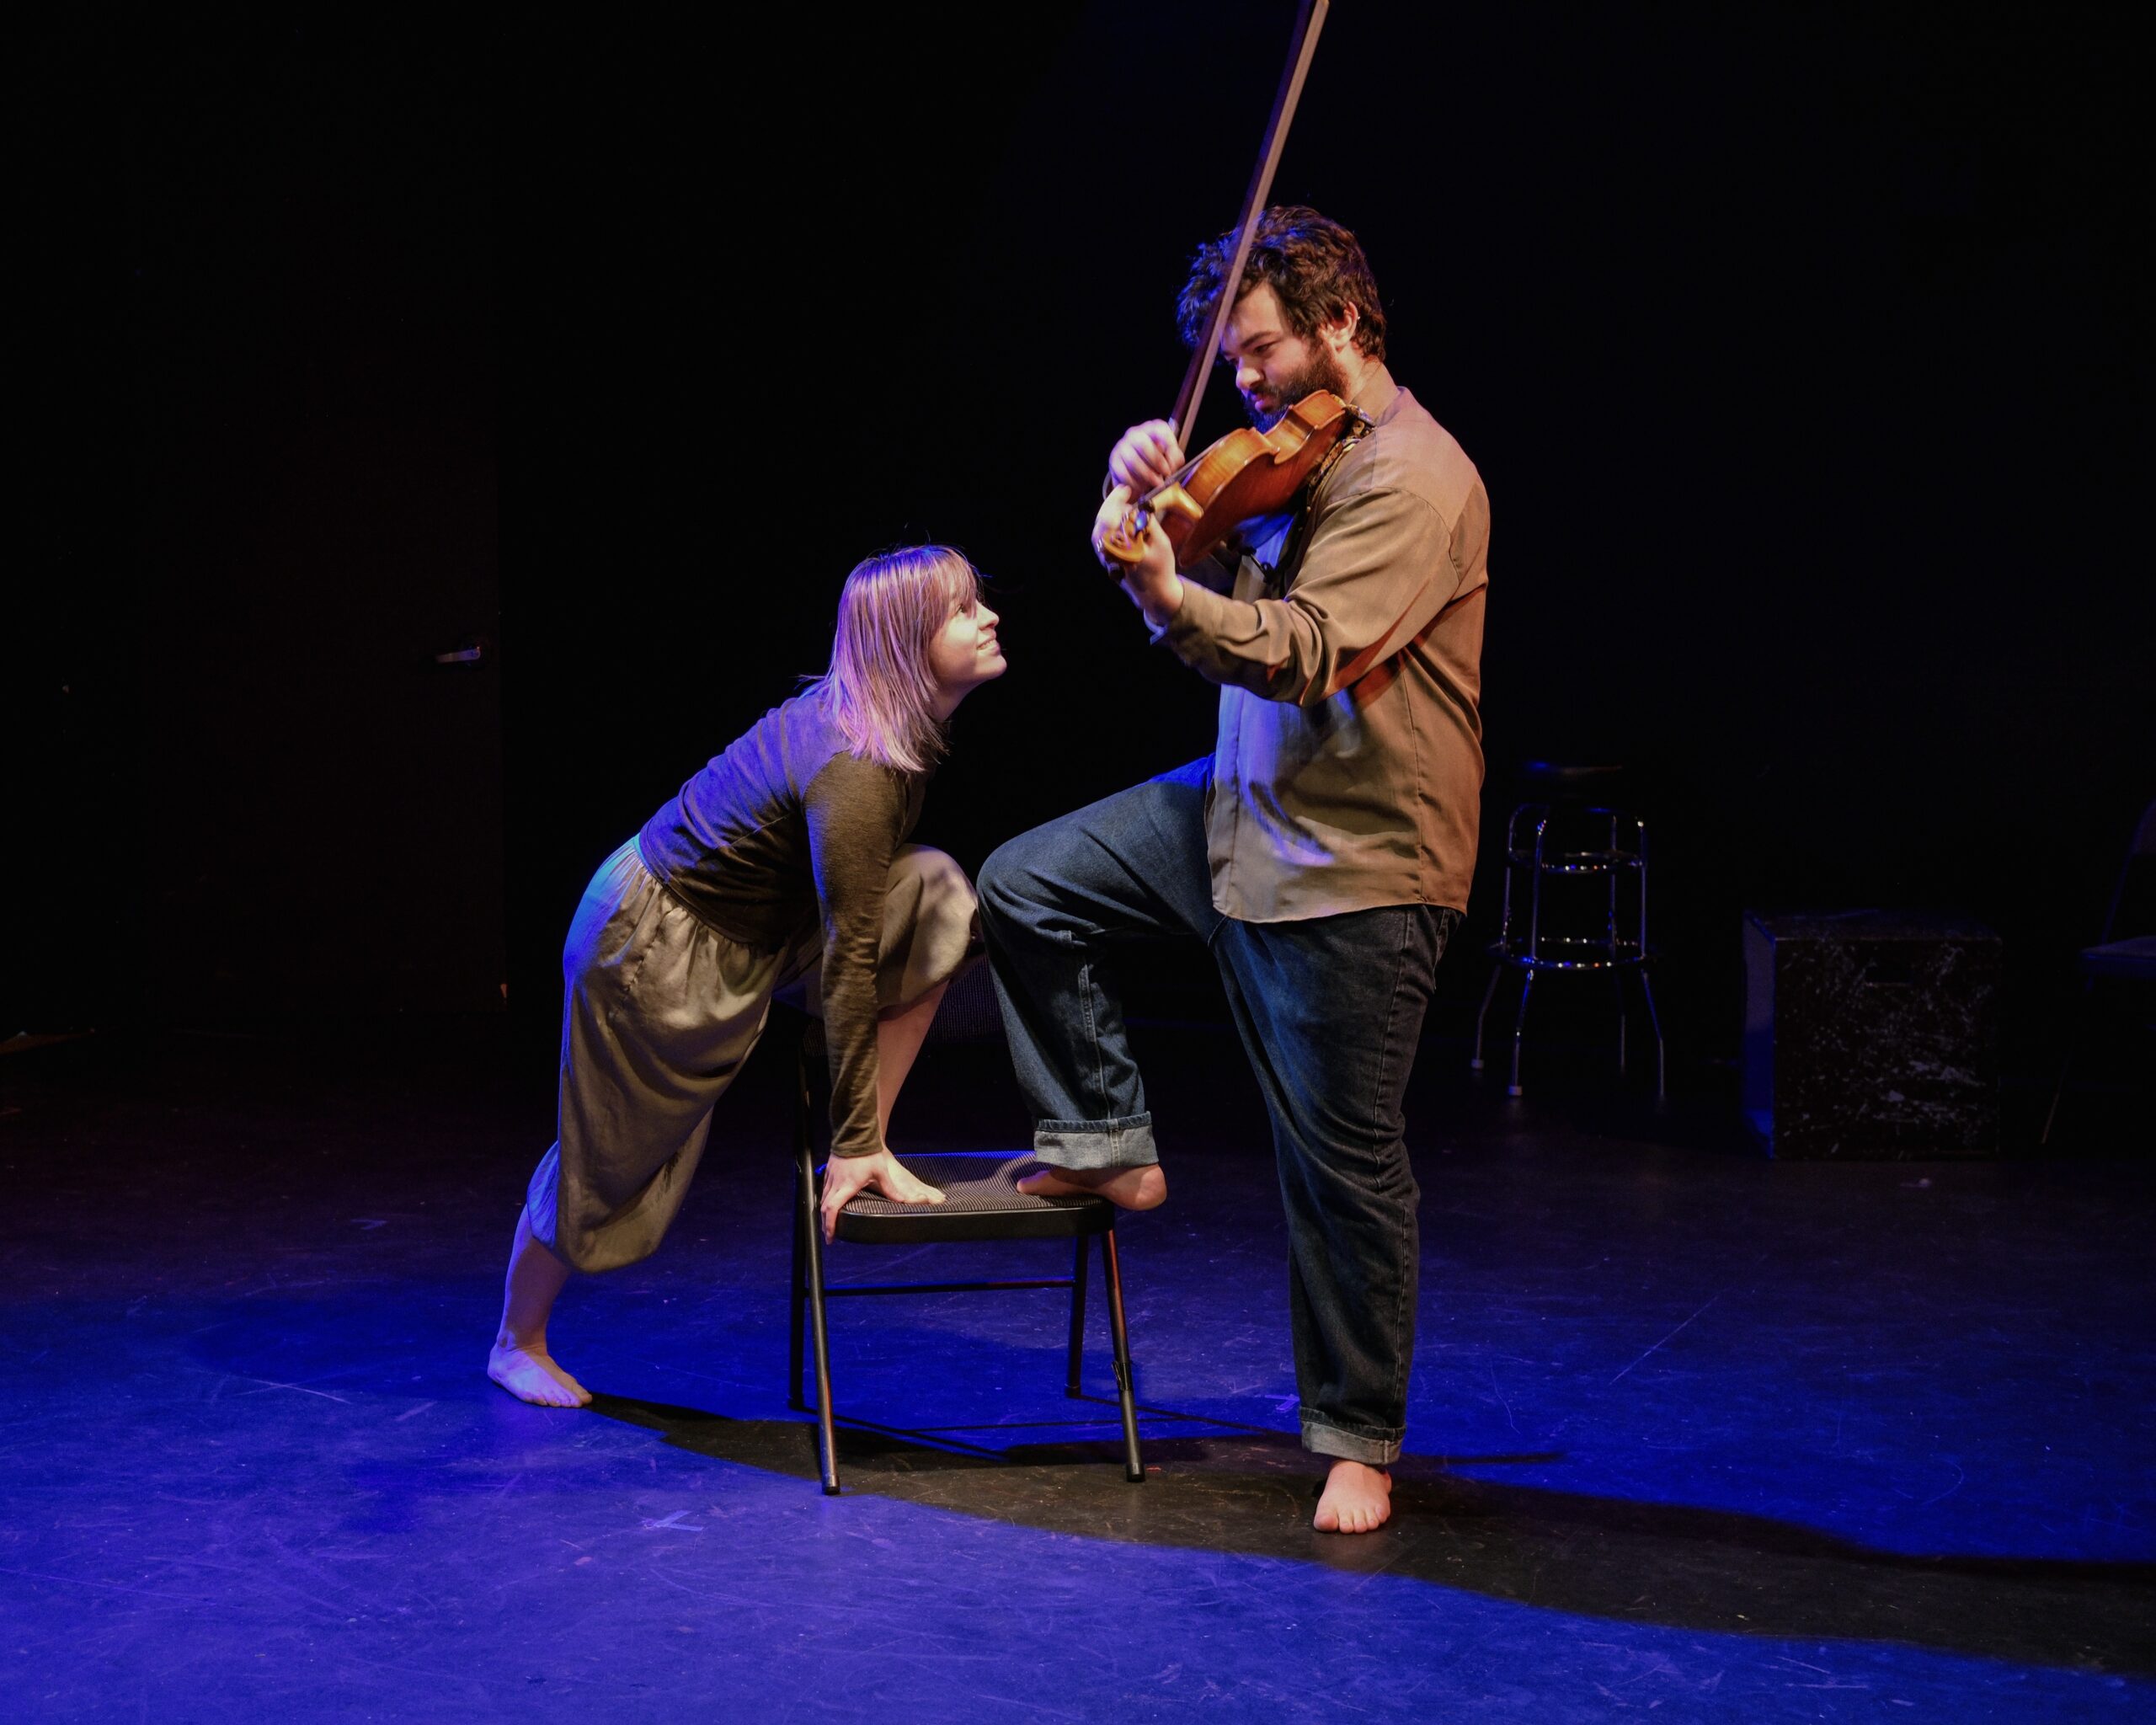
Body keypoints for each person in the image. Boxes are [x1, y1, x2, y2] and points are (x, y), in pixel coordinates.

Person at [979, 207, 1489, 1533]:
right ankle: (1104, 1139)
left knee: (1339, 1162)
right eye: (1231, 359)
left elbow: (1304, 648)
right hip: (1244, 810)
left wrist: (1163, 593)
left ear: (1341, 326)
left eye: (1258, 353)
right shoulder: (1289, 453)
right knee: (1028, 884)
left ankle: (1359, 1439)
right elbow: (1185, 532)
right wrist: (1137, 492)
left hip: (1359, 860)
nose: (1244, 383)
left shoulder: (1418, 480)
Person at [490, 546, 1007, 1408]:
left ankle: (865, 1137)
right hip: (654, 943)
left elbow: (864, 918)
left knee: (939, 891)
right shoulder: (859, 769)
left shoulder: (893, 732)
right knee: (607, 1168)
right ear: (908, 645)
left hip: (754, 930)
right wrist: (848, 1140)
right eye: (962, 609)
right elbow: (847, 953)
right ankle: (516, 1339)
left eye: (978, 600)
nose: (988, 616)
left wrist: (858, 1131)